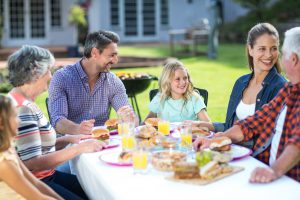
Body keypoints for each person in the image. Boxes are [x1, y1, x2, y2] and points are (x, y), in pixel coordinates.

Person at [194, 27, 300, 183]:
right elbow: (256, 121)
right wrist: (218, 139)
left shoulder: (284, 87)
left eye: (281, 53)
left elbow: (297, 143)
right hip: (265, 172)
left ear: (293, 59)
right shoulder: (290, 89)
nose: (277, 58)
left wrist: (273, 171)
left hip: (288, 181)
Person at [7, 45, 106, 199]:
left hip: (47, 176)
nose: (51, 76)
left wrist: (69, 139)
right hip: (39, 182)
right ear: (35, 72)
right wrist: (79, 149)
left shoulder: (24, 102)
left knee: (95, 188)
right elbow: (33, 162)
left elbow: (36, 147)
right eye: (48, 71)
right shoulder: (22, 109)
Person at [192, 23, 286, 148]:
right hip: (231, 152)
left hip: (257, 159)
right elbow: (230, 126)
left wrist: (221, 139)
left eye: (273, 48)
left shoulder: (281, 88)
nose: (269, 55)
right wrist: (202, 125)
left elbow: (267, 136)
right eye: (262, 49)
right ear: (250, 49)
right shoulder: (241, 83)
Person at [48, 30, 136, 135]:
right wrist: (78, 129)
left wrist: (129, 118)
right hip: (71, 144)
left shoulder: (113, 82)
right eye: (112, 55)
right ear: (94, 53)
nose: (115, 60)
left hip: (102, 141)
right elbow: (57, 121)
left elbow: (132, 119)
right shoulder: (62, 78)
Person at [0, 95, 62, 200]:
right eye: (14, 116)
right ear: (1, 123)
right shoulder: (4, 163)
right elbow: (37, 197)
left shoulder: (8, 148)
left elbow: (35, 182)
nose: (19, 121)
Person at [144, 60, 211, 122]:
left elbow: (208, 124)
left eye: (185, 78)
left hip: (188, 134)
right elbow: (147, 122)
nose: (183, 82)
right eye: (177, 79)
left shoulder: (194, 98)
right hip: (165, 135)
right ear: (168, 81)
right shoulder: (160, 98)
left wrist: (196, 124)